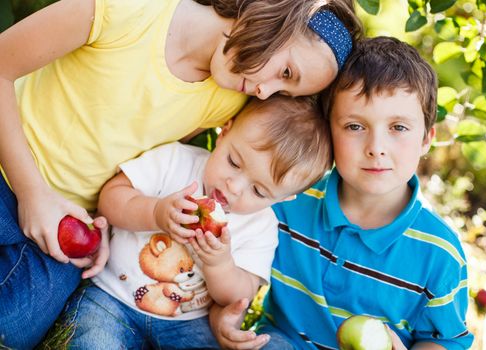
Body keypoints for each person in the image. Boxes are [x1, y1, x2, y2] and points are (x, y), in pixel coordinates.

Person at [0, 0, 362, 347]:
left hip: (70, 217)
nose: (265, 92)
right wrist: (33, 193)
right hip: (10, 169)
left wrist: (103, 223)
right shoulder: (126, 10)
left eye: (285, 89)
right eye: (285, 72)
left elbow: (138, 157)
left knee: (16, 325)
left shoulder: (227, 99)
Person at [210, 36, 474, 350]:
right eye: (354, 126)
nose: (376, 148)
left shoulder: (439, 252)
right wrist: (221, 319)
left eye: (398, 128)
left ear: (426, 138)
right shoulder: (284, 204)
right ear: (328, 130)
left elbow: (445, 340)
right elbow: (234, 278)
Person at [60, 94, 333, 349]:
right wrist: (155, 213)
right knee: (94, 337)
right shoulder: (176, 161)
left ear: (284, 198)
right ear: (224, 133)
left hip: (189, 322)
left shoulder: (260, 228)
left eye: (259, 191)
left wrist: (219, 263)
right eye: (234, 162)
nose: (234, 186)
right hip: (111, 296)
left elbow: (239, 296)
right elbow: (111, 198)